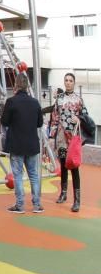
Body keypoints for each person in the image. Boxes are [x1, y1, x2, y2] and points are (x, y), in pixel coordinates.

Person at [0, 73, 44, 214]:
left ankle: (20, 205)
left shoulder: (11, 101)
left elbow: (5, 122)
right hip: (32, 143)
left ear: (16, 85)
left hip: (16, 143)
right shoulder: (35, 102)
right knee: (33, 175)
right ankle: (37, 204)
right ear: (27, 85)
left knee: (18, 175)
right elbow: (40, 123)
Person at [49, 72, 86, 212]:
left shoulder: (79, 99)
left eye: (71, 80)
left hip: (73, 138)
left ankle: (77, 201)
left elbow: (86, 116)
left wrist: (80, 119)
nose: (68, 82)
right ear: (64, 82)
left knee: (74, 167)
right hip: (61, 138)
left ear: (74, 83)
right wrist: (52, 134)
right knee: (63, 165)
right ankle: (63, 193)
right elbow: (54, 117)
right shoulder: (59, 98)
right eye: (66, 80)